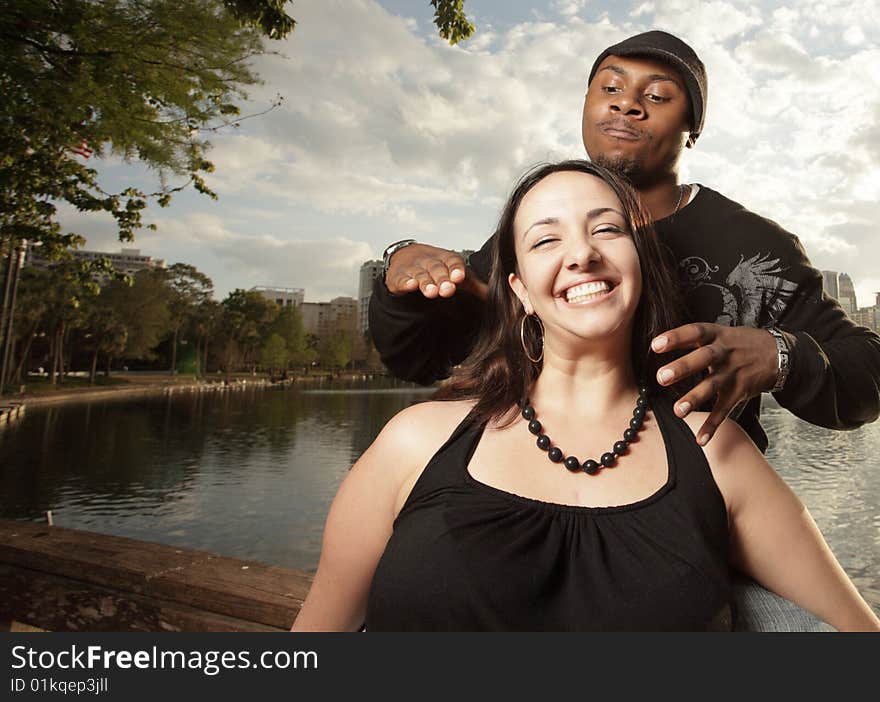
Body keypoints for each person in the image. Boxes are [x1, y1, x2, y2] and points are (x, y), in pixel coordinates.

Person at [368, 30, 880, 631]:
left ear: (694, 127)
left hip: (692, 539)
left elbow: (866, 370)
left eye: (657, 95)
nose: (627, 103)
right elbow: (426, 357)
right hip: (537, 514)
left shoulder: (755, 248)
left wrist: (782, 354)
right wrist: (404, 274)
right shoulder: (547, 232)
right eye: (609, 87)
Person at [292, 161, 879, 631]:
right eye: (546, 239)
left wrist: (784, 354)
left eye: (606, 229)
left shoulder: (717, 451)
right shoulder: (414, 441)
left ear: (641, 264)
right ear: (517, 289)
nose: (582, 254)